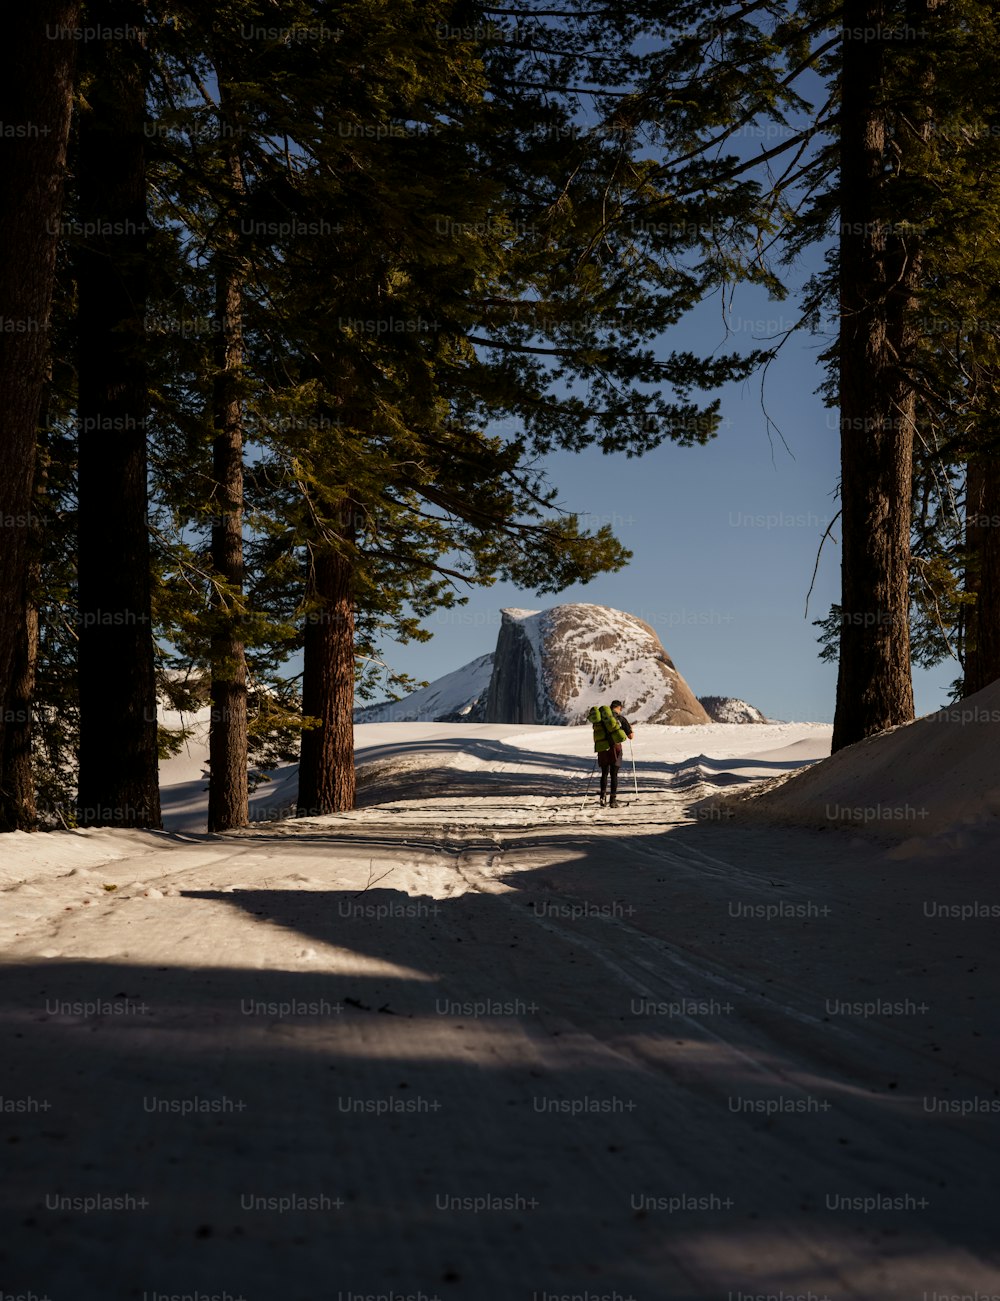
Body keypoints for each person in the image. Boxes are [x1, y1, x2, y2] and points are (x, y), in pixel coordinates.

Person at [587, 701, 633, 807]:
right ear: (619, 708)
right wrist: (630, 729)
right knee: (614, 774)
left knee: (604, 773)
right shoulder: (620, 719)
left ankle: (602, 797)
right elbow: (630, 736)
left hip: (603, 748)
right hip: (615, 748)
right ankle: (613, 800)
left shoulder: (602, 719)